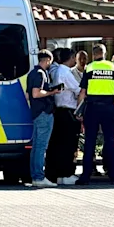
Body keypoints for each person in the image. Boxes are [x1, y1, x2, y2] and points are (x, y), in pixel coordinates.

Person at [77, 44, 114, 186]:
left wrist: (79, 111)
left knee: (89, 141)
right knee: (110, 140)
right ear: (105, 53)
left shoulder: (89, 68)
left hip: (92, 108)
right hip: (108, 108)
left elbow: (82, 92)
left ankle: (85, 177)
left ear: (94, 55)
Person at [45, 48, 81, 185]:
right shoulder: (65, 72)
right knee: (68, 144)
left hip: (59, 111)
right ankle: (66, 174)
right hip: (68, 111)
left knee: (58, 144)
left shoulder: (57, 70)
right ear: (71, 58)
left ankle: (57, 174)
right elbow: (78, 90)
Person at [26, 50, 60, 187]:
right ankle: (39, 177)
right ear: (47, 60)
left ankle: (35, 176)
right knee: (41, 147)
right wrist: (53, 92)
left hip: (36, 113)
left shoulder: (31, 73)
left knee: (36, 147)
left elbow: (28, 95)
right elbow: (36, 93)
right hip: (44, 113)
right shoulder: (41, 73)